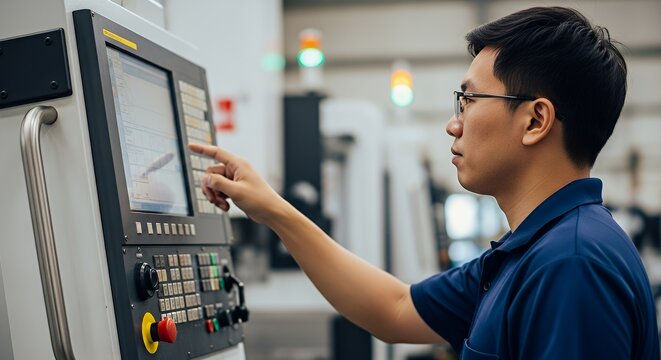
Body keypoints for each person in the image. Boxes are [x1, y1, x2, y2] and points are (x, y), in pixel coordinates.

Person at [189, 6, 660, 359]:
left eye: (469, 100)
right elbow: (393, 310)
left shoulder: (570, 266)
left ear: (535, 120)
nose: (453, 125)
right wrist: (273, 209)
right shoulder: (527, 254)